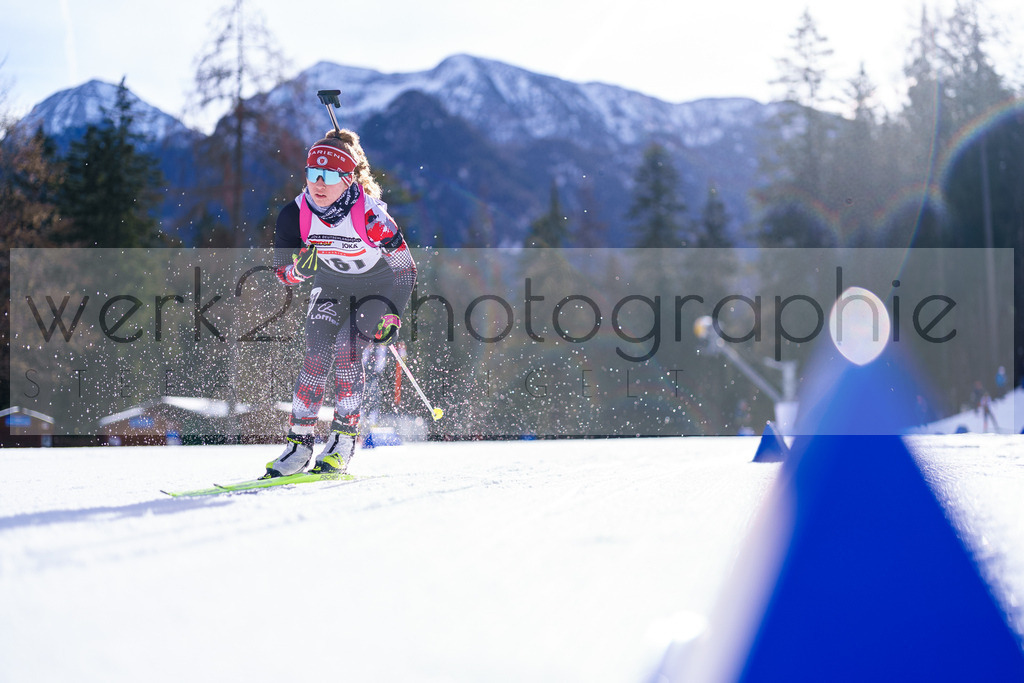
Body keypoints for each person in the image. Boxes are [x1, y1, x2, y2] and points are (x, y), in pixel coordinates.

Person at [264, 128, 417, 478]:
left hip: (375, 287)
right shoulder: (295, 214)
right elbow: (281, 273)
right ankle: (298, 447)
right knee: (316, 356)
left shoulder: (371, 218)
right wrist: (298, 271)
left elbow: (406, 271)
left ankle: (342, 443)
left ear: (349, 179)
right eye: (313, 173)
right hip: (331, 284)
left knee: (348, 350)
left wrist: (392, 315)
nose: (319, 183)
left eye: (331, 175)